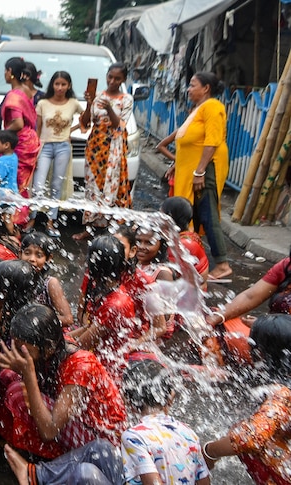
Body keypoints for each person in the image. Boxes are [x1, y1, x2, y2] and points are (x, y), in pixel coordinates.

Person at [0, 304, 127, 459]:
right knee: (6, 375)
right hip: (74, 421)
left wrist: (28, 374)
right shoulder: (54, 345)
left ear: (49, 348)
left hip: (103, 443)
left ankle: (57, 459)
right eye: (15, 348)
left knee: (17, 393)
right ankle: (14, 443)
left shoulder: (81, 365)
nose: (16, 355)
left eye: (23, 351)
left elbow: (49, 431)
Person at [200, 313, 291, 484]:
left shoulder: (282, 394)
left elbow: (250, 437)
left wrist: (208, 451)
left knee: (247, 433)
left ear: (260, 353)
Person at [163, 72, 232, 281]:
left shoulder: (213, 107)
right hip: (193, 171)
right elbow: (189, 142)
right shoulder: (197, 109)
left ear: (206, 88)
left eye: (193, 85)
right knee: (194, 215)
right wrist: (177, 164)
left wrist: (200, 171)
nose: (188, 89)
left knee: (207, 213)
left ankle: (222, 265)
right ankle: (190, 260)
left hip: (206, 169)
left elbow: (212, 141)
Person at [70, 235, 155, 379]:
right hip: (100, 358)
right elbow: (88, 327)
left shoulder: (115, 304)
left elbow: (81, 345)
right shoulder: (109, 290)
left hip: (104, 374)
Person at [120, 360, 211, 485]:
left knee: (87, 471)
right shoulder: (188, 432)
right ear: (170, 396)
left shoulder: (134, 437)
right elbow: (204, 482)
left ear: (128, 402)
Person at [76, 63, 134, 240]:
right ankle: (90, 228)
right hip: (95, 146)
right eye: (110, 77)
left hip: (113, 148)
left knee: (111, 186)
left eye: (117, 78)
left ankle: (111, 230)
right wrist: (88, 103)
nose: (112, 81)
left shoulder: (127, 100)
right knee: (93, 187)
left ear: (123, 79)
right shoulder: (98, 95)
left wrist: (109, 107)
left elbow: (119, 126)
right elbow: (85, 123)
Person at [34, 71, 83, 231]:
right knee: (38, 184)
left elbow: (86, 120)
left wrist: (70, 130)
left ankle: (50, 221)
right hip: (45, 146)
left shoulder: (74, 103)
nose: (60, 87)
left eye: (63, 84)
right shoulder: (43, 103)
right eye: (57, 84)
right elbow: (38, 128)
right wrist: (34, 150)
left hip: (63, 146)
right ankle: (32, 218)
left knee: (57, 184)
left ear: (69, 86)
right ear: (52, 85)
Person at [1, 57, 40, 197]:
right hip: (30, 139)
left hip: (20, 142)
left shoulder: (14, 95)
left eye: (5, 70)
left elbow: (18, 123)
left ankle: (16, 216)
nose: (4, 74)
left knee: (14, 182)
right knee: (23, 183)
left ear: (10, 71)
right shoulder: (26, 90)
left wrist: (2, 134)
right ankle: (21, 215)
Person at [20, 231, 73, 327]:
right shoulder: (14, 278)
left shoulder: (50, 283)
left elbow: (68, 319)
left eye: (39, 255)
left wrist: (35, 318)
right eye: (27, 253)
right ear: (20, 254)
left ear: (48, 259)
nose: (32, 259)